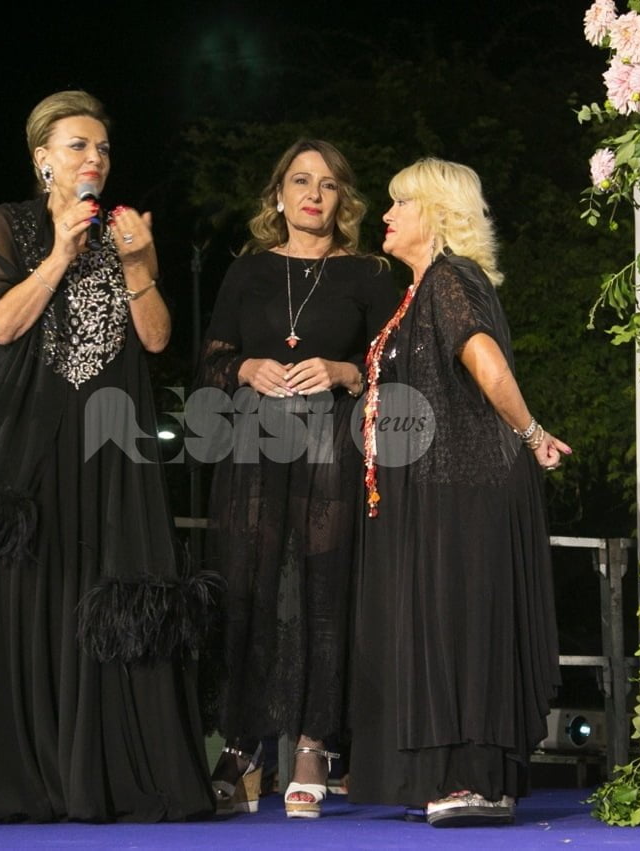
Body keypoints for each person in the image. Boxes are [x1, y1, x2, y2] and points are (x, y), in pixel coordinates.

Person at [0, 90, 220, 823]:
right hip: (26, 447)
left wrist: (138, 263)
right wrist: (58, 256)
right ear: (42, 158)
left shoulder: (126, 232)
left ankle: (102, 777)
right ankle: (22, 774)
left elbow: (155, 338)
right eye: (78, 145)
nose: (95, 159)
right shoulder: (8, 224)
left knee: (111, 590)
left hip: (109, 446)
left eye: (103, 148)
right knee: (24, 595)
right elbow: (0, 325)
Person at [348, 157, 571, 827]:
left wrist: (532, 432)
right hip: (434, 488)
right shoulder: (419, 291)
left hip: (465, 486)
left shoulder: (450, 277)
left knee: (462, 627)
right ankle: (451, 776)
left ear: (437, 215)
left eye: (400, 203)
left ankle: (478, 780)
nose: (386, 214)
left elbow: (485, 361)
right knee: (441, 627)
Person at [193, 138, 399, 818]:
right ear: (277, 195)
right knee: (248, 588)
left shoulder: (369, 273)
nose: (313, 194)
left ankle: (314, 744)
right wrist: (244, 368)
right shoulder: (248, 270)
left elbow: (397, 366)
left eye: (328, 184)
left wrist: (345, 372)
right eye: (301, 181)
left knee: (321, 591)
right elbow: (211, 360)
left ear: (343, 200)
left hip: (328, 452)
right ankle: (242, 746)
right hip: (251, 452)